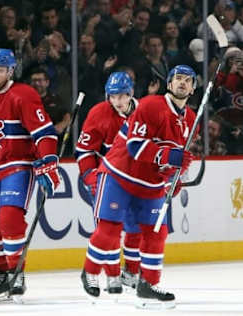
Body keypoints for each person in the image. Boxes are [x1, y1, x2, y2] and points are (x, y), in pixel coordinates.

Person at [80, 65, 197, 308]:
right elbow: (135, 146)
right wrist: (169, 157)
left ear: (193, 88)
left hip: (151, 183)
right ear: (169, 83)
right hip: (119, 175)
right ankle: (90, 272)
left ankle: (148, 284)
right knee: (109, 230)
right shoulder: (151, 105)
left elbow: (177, 156)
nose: (182, 83)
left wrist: (174, 175)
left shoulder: (191, 119)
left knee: (157, 233)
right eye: (178, 79)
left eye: (188, 80)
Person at [0, 48, 61, 301]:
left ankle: (17, 274)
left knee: (9, 219)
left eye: (1, 70)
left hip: (17, 165)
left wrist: (48, 162)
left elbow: (45, 133)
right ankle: (2, 271)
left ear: (11, 71)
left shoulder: (24, 95)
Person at [76, 71, 141, 294]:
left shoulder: (145, 112)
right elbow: (84, 150)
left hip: (136, 180)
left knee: (136, 228)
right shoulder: (99, 113)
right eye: (112, 96)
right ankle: (112, 276)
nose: (117, 102)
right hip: (109, 179)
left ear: (131, 93)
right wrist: (90, 176)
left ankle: (130, 273)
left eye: (122, 96)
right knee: (109, 228)